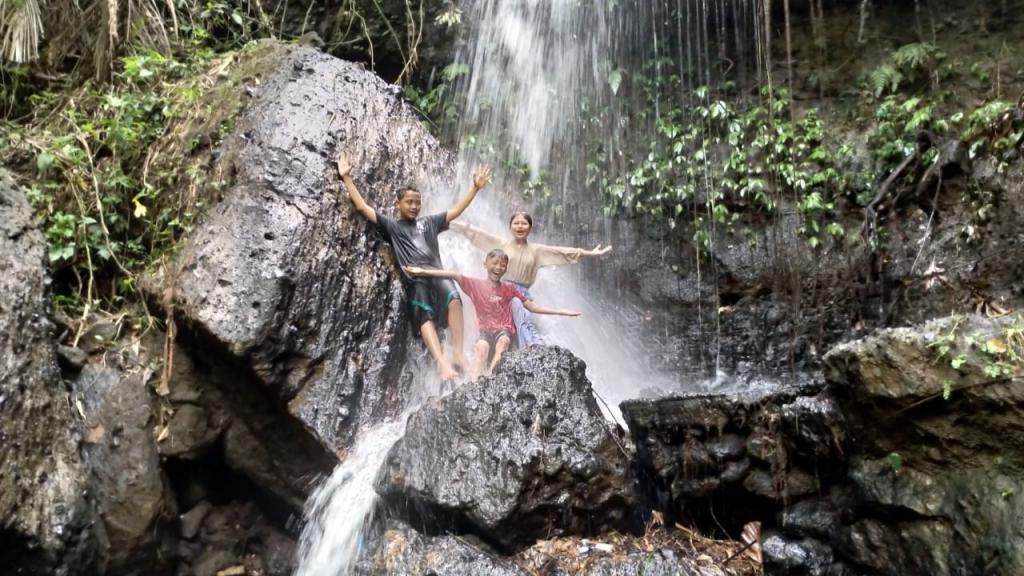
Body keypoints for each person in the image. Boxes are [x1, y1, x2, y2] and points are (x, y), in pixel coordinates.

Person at [336, 152, 492, 381]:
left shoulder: (429, 222)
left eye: (417, 202)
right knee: (424, 316)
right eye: (409, 202)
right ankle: (442, 363)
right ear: (398, 204)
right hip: (416, 280)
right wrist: (347, 178)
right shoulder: (392, 227)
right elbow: (362, 208)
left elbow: (456, 211)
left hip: (437, 274)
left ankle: (458, 353)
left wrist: (475, 188)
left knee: (455, 299)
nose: (414, 206)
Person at [403, 249, 580, 381]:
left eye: (503, 265)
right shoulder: (475, 284)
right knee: (481, 348)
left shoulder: (509, 288)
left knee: (503, 343)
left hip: (504, 330)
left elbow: (531, 307)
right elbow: (452, 274)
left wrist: (561, 311)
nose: (499, 267)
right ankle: (471, 383)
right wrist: (423, 272)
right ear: (485, 264)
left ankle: (491, 378)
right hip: (485, 331)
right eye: (494, 263)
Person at [449, 212, 611, 347]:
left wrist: (588, 253)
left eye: (524, 223)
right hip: (504, 290)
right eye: (516, 223)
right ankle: (534, 345)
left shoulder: (537, 251)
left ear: (530, 227)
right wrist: (450, 222)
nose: (520, 226)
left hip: (523, 292)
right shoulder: (502, 245)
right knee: (518, 311)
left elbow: (561, 252)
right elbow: (477, 234)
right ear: (510, 226)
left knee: (524, 313)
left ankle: (533, 346)